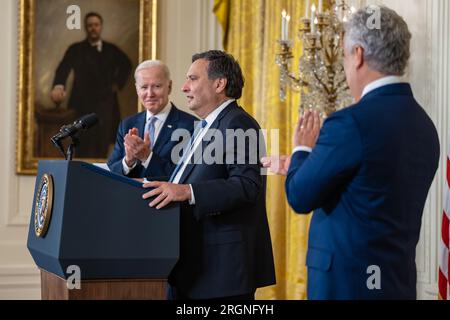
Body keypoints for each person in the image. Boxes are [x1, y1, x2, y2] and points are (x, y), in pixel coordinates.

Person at [265, 6, 440, 299]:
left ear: (357, 54)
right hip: (396, 284)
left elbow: (299, 195)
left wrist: (302, 150)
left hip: (346, 287)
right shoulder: (425, 126)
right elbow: (367, 185)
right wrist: (307, 163)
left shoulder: (349, 123)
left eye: (345, 55)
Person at [142, 50, 276, 299]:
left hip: (221, 272)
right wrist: (152, 184)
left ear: (219, 83)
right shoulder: (205, 126)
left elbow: (247, 185)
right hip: (192, 268)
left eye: (192, 78)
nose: (183, 87)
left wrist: (187, 191)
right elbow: (186, 178)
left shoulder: (238, 123)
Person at [51, 12, 132, 158]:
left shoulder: (111, 49)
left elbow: (127, 64)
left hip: (105, 104)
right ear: (85, 28)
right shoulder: (76, 49)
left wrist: (116, 84)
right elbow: (63, 68)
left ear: (100, 27)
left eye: (96, 25)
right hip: (81, 103)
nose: (93, 28)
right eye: (90, 26)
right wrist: (59, 85)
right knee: (81, 142)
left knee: (103, 141)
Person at [108, 60, 196, 178]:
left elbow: (185, 177)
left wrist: (147, 157)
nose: (150, 94)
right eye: (144, 87)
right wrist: (128, 161)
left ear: (169, 87)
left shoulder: (191, 126)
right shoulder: (127, 124)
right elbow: (111, 171)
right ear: (137, 89)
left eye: (157, 86)